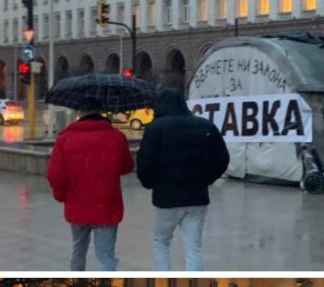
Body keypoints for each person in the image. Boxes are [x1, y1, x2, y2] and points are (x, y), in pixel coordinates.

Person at [136, 89, 231, 271]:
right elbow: (222, 159)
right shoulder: (206, 126)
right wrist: (207, 179)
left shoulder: (156, 128)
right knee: (193, 247)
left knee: (161, 242)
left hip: (166, 198)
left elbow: (145, 162)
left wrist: (149, 183)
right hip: (197, 197)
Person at [46, 95, 135, 271]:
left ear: (79, 114)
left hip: (77, 206)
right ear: (101, 113)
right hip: (107, 207)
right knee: (106, 256)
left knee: (78, 250)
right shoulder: (117, 137)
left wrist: (60, 196)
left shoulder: (65, 139)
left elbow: (55, 175)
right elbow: (127, 167)